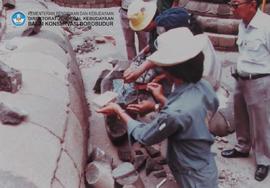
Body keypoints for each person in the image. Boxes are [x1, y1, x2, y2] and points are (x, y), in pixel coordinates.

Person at [97, 27, 219, 188]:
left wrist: (119, 111)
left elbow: (145, 135)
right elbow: (191, 114)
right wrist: (160, 102)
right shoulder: (204, 86)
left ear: (170, 71)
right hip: (205, 163)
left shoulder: (175, 113)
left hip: (192, 175)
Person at [221, 0, 270, 181]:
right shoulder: (243, 25)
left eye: (236, 5)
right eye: (231, 5)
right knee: (240, 115)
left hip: (260, 81)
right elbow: (245, 52)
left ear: (252, 4)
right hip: (241, 78)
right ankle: (242, 147)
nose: (233, 9)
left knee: (261, 122)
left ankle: (264, 160)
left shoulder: (266, 25)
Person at [125, 6, 221, 89]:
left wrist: (144, 72)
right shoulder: (196, 38)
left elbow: (168, 57)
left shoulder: (193, 58)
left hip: (204, 83)